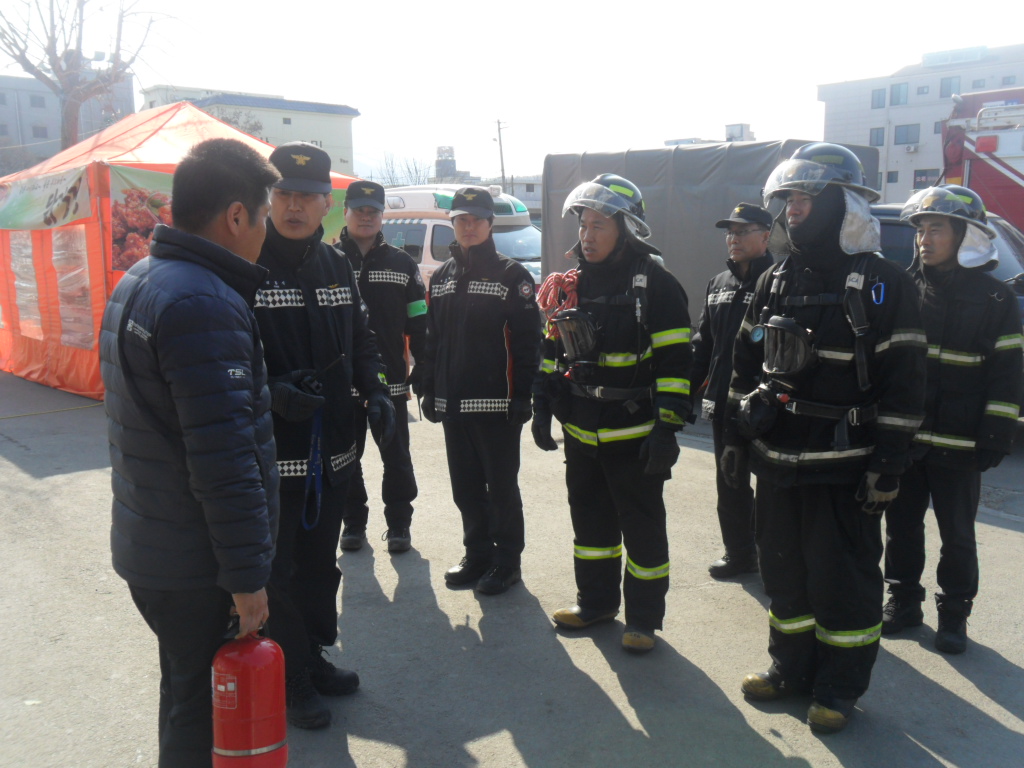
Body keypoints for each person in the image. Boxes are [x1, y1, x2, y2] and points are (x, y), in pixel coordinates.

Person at [722, 143, 927, 733]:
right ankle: (790, 669)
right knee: (783, 574)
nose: (792, 210)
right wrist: (736, 437)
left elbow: (906, 382)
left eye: (805, 198)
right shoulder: (775, 279)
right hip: (777, 461)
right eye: (788, 198)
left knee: (843, 582)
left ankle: (838, 688)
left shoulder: (884, 284)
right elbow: (745, 362)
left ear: (841, 203)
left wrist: (889, 463)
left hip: (844, 465)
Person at [100, 138, 280, 767]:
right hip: (195, 564)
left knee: (184, 696)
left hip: (157, 543)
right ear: (236, 215)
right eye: (264, 215)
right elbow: (223, 459)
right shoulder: (203, 302)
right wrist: (246, 578)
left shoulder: (144, 277)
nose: (265, 231)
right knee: (204, 715)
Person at [254, 142, 395, 729]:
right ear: (268, 198)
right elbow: (226, 356)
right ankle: (288, 677)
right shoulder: (245, 262)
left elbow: (360, 337)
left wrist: (377, 388)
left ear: (325, 203)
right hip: (273, 452)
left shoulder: (336, 264)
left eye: (307, 197)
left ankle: (311, 656)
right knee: (279, 572)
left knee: (319, 568)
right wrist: (271, 390)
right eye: (284, 194)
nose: (295, 206)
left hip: (333, 449)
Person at [533, 174, 692, 653]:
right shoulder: (571, 285)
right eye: (583, 224)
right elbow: (551, 350)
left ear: (627, 228)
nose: (587, 235)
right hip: (581, 432)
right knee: (591, 526)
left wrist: (667, 430)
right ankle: (596, 603)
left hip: (634, 435)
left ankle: (643, 619)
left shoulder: (657, 285)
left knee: (642, 530)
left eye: (599, 225)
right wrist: (542, 405)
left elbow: (676, 365)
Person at [881, 185, 1022, 654]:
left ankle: (954, 616)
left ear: (965, 234)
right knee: (901, 526)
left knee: (957, 536)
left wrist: (997, 432)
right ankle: (903, 603)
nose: (924, 239)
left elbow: (1008, 372)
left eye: (935, 229)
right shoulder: (905, 289)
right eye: (920, 230)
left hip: (961, 442)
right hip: (908, 437)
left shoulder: (996, 298)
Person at [416, 186, 542, 595]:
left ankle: (507, 562)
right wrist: (429, 387)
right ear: (453, 224)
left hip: (496, 406)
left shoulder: (512, 276)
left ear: (490, 224)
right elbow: (433, 337)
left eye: (476, 220)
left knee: (501, 489)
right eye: (461, 220)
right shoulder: (443, 276)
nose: (468, 227)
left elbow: (528, 342)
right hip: (452, 403)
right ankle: (477, 555)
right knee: (465, 488)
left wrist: (523, 395)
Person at [336, 180, 427, 553]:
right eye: (359, 210)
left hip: (390, 384)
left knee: (397, 459)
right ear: (345, 212)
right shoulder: (327, 260)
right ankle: (353, 523)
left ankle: (399, 525)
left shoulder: (402, 263)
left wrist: (424, 364)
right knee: (345, 458)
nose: (366, 217)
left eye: (372, 211)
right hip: (342, 384)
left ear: (381, 215)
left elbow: (418, 318)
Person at [692, 202, 775, 579]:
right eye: (730, 232)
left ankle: (774, 559)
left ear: (766, 236)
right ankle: (740, 554)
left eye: (742, 231)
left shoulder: (778, 282)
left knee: (772, 487)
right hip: (723, 403)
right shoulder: (718, 284)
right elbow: (703, 344)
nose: (733, 239)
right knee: (730, 480)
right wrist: (684, 392)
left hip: (767, 406)